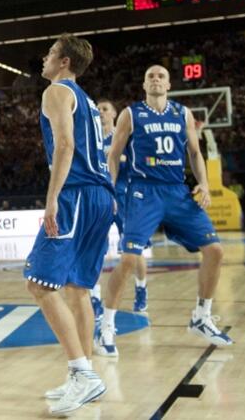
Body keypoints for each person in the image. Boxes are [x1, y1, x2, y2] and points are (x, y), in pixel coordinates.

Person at [98, 65, 233, 359]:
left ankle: (201, 316)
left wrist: (205, 185)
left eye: (160, 76)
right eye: (150, 76)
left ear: (169, 84)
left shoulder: (182, 113)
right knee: (130, 258)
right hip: (143, 193)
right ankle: (106, 325)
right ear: (144, 84)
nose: (156, 79)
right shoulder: (131, 114)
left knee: (215, 251)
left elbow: (195, 154)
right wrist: (110, 190)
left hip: (176, 192)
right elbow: (113, 156)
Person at [24, 34, 114, 415]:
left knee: (39, 283)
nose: (43, 58)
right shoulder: (89, 101)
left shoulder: (57, 92)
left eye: (49, 53)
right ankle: (84, 374)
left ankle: (84, 373)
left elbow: (65, 145)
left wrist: (52, 199)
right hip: (101, 197)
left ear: (63, 62)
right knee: (78, 289)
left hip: (76, 195)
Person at [95, 99, 148, 314]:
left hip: (125, 198)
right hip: (100, 198)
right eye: (97, 109)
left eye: (105, 109)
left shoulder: (124, 136)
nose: (100, 112)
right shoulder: (92, 139)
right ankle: (94, 298)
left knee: (134, 250)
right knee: (94, 248)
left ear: (115, 113)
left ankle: (141, 290)